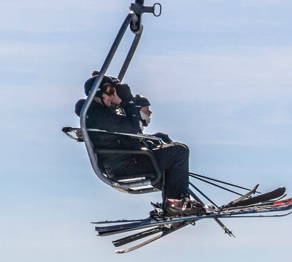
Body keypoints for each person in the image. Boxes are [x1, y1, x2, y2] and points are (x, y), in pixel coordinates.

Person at [77, 75, 201, 216]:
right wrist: (127, 100)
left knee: (167, 156)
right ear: (97, 92)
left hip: (124, 161)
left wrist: (153, 139)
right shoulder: (98, 115)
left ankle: (174, 204)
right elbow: (133, 127)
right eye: (110, 91)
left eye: (115, 91)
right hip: (124, 165)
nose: (113, 96)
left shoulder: (99, 113)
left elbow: (127, 133)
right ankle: (176, 205)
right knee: (179, 151)